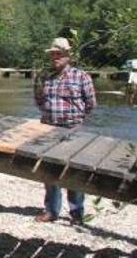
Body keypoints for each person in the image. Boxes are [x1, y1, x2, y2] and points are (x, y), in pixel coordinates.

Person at [34, 37, 96, 224]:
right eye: (52, 54)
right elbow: (38, 100)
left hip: (73, 131)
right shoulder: (45, 77)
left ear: (68, 56)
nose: (55, 58)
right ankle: (51, 211)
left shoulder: (82, 77)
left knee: (74, 172)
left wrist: (76, 121)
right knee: (49, 171)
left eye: (59, 54)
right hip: (48, 130)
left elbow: (91, 104)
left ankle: (76, 214)